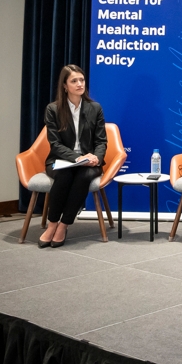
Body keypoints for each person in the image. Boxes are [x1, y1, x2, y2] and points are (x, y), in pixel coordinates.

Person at [39, 65, 107, 248]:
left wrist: (95, 158)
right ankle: (52, 223)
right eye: (74, 81)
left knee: (83, 176)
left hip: (89, 162)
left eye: (82, 80)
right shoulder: (53, 109)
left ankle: (64, 225)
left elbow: (101, 141)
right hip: (60, 160)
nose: (79, 84)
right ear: (64, 85)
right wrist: (76, 158)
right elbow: (55, 144)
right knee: (64, 175)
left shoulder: (95, 108)